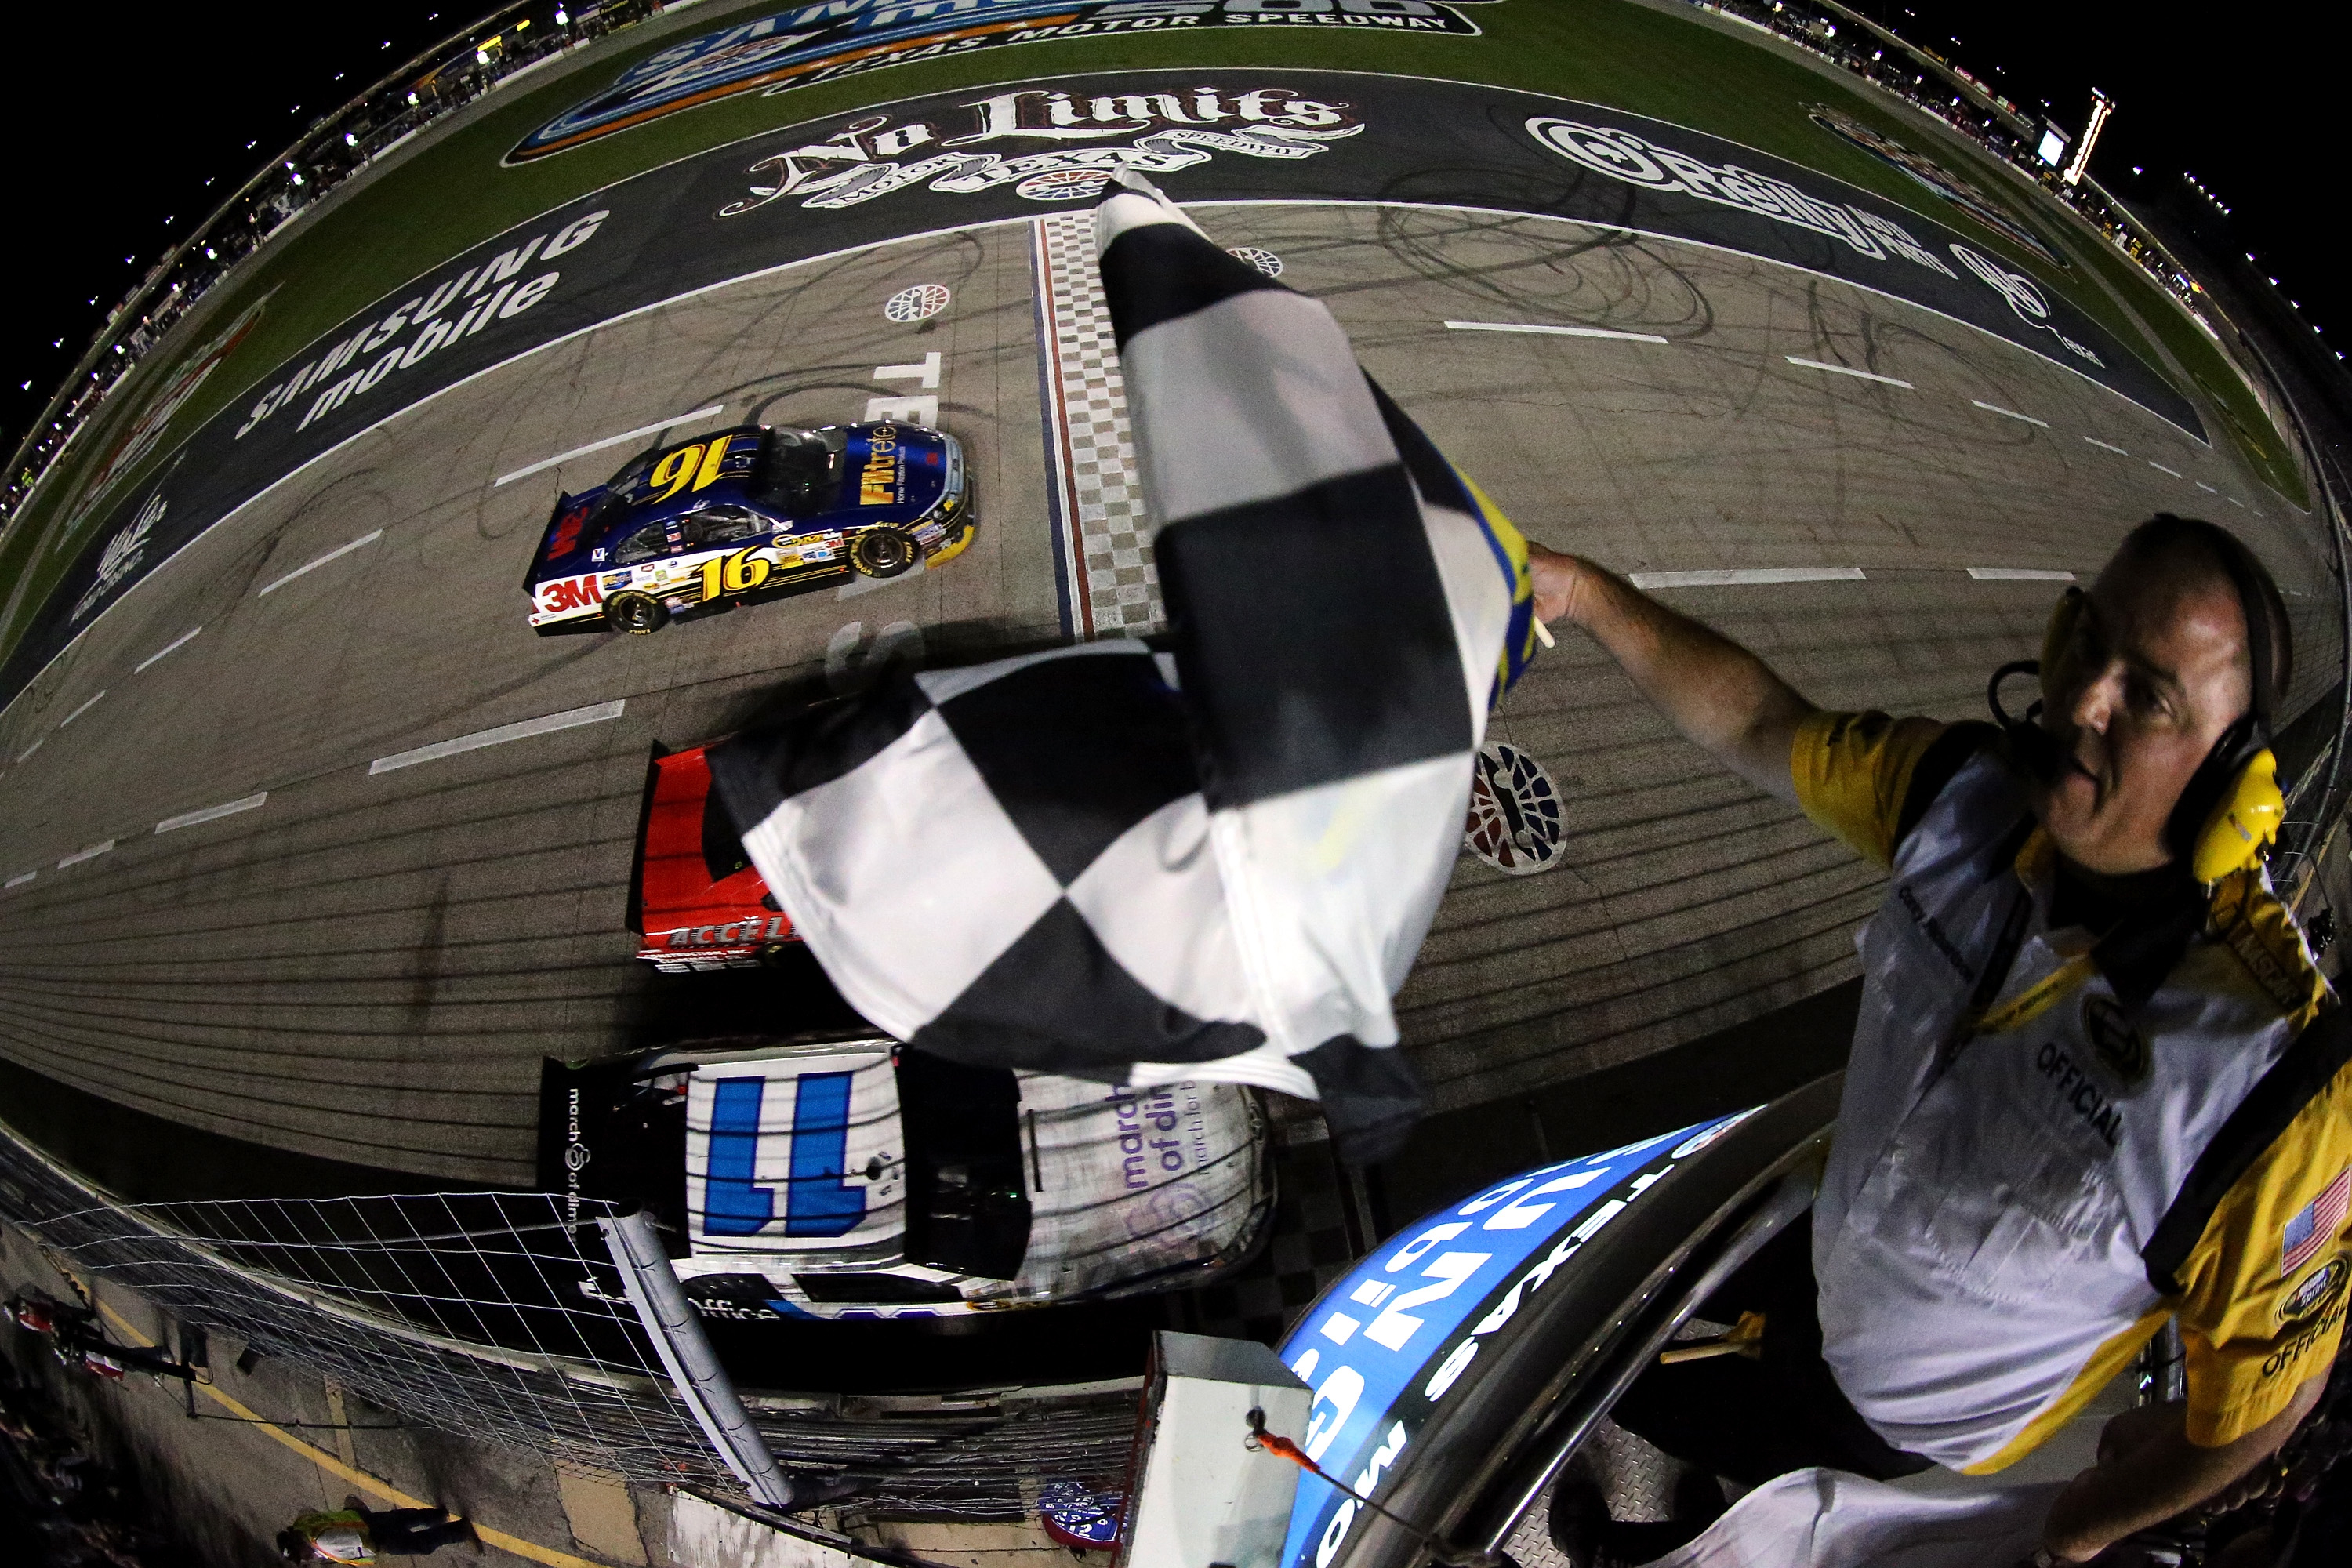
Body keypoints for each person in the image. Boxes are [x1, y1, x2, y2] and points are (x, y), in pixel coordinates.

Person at [1528, 514, 2350, 1564]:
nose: (2083, 702)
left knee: (1759, 1474)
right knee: (1647, 1392)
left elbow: (2267, 1411)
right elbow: (1758, 725)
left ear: (2232, 777)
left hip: (1894, 1413)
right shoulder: (1959, 796)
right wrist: (1591, 595)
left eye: (2146, 697)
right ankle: (1695, 1512)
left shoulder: (2271, 1095)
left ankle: (1660, 1546)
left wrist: (2078, 1533)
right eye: (2085, 642)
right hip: (1818, 1240)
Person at [278, 1501, 478, 1561]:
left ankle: (461, 1531)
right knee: (406, 1518)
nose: (305, 1559)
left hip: (377, 1536)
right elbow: (310, 1510)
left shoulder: (322, 1542)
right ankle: (437, 1515)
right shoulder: (303, 1524)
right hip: (365, 1519)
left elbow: (355, 1539)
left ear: (298, 1545)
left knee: (422, 1545)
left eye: (301, 1555)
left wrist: (374, 1551)